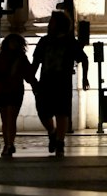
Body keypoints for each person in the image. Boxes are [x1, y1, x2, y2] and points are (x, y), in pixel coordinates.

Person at [29, 9, 87, 156]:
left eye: (52, 22)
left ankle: (60, 142)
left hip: (62, 83)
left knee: (62, 112)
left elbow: (83, 58)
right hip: (45, 82)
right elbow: (35, 62)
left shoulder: (70, 42)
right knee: (43, 112)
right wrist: (32, 80)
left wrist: (85, 78)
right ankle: (52, 131)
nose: (49, 24)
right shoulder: (44, 41)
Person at [0, 32, 35, 157]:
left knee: (9, 118)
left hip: (12, 91)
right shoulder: (3, 58)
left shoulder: (6, 58)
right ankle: (8, 143)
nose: (13, 44)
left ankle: (9, 144)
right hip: (6, 91)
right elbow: (29, 75)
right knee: (6, 119)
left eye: (15, 42)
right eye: (11, 42)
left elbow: (28, 74)